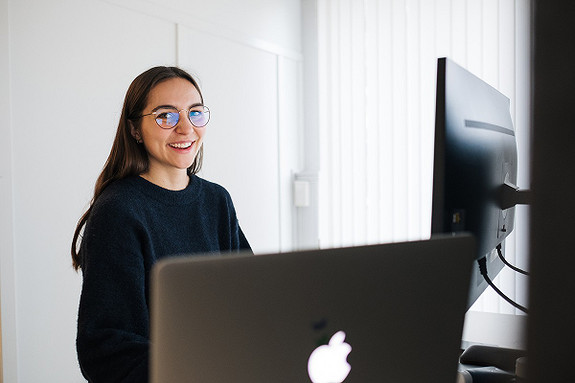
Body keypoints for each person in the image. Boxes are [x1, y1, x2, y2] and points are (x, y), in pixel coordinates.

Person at [71, 66, 251, 382]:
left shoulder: (216, 200)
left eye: (195, 113)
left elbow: (252, 297)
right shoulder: (119, 211)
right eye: (165, 117)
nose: (186, 128)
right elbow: (105, 348)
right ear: (135, 130)